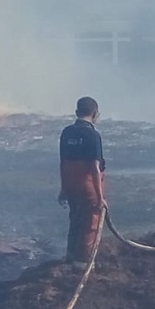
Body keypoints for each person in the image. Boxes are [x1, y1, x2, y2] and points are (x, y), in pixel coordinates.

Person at [58, 97, 106, 270]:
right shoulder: (93, 135)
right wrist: (100, 197)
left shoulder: (66, 132)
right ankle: (82, 264)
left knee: (75, 218)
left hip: (71, 184)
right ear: (95, 114)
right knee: (89, 223)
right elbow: (95, 167)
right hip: (88, 186)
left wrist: (63, 189)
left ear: (77, 113)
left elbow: (63, 163)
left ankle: (70, 255)